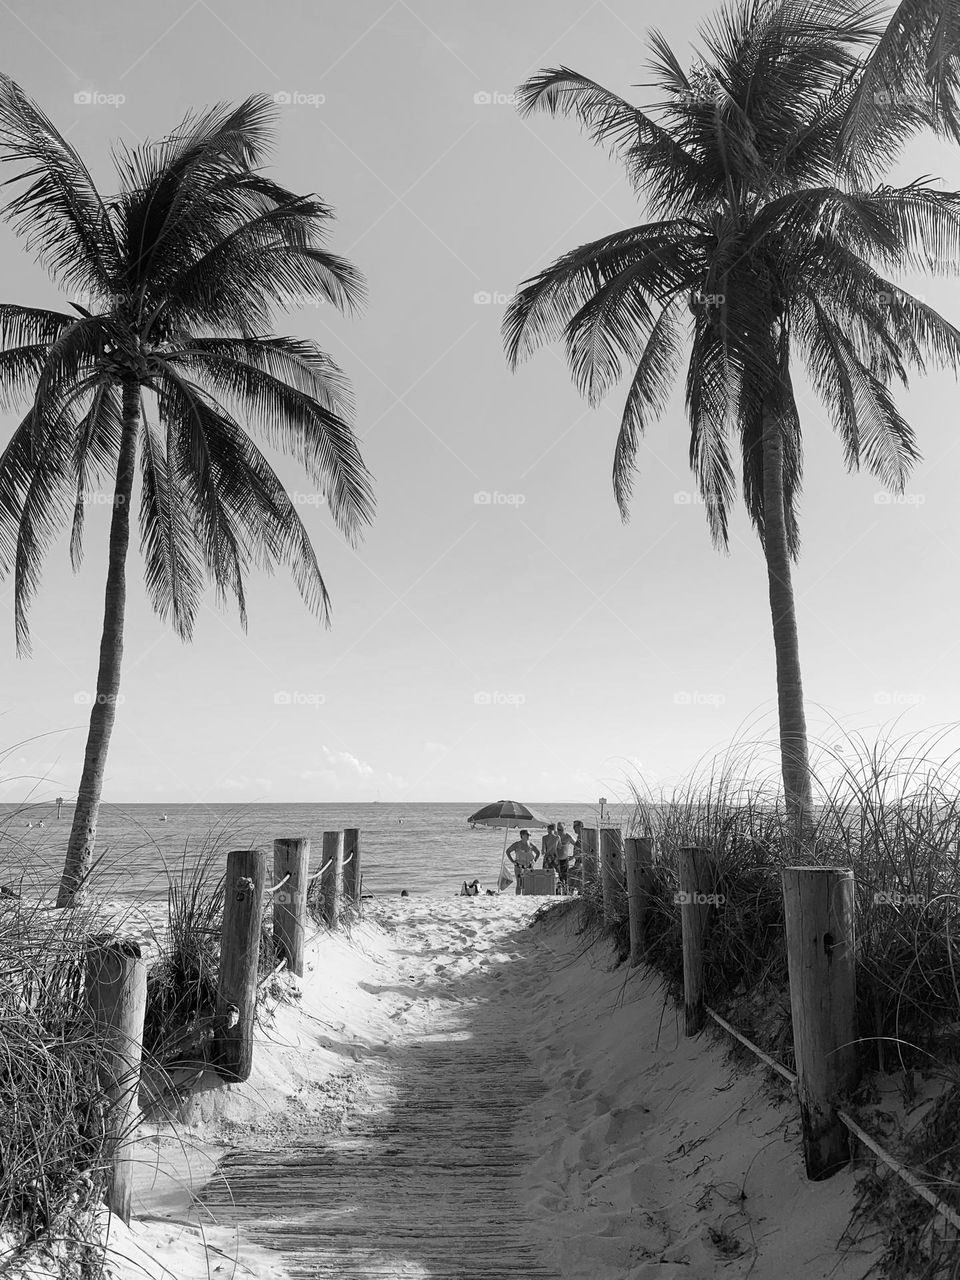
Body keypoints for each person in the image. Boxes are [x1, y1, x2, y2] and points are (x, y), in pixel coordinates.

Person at [504, 829, 539, 895]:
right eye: (527, 834)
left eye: (529, 835)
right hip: (519, 866)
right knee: (519, 884)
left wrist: (534, 861)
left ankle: (526, 897)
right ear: (522, 835)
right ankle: (518, 897)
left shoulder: (531, 844)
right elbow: (507, 851)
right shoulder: (516, 844)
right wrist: (512, 861)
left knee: (528, 884)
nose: (529, 836)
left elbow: (538, 852)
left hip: (529, 866)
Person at [556, 822, 576, 894]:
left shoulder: (568, 836)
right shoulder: (555, 836)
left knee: (565, 877)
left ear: (565, 829)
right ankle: (556, 892)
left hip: (564, 859)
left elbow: (577, 845)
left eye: (561, 829)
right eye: (558, 829)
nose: (559, 831)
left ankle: (565, 892)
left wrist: (573, 856)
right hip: (555, 860)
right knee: (556, 877)